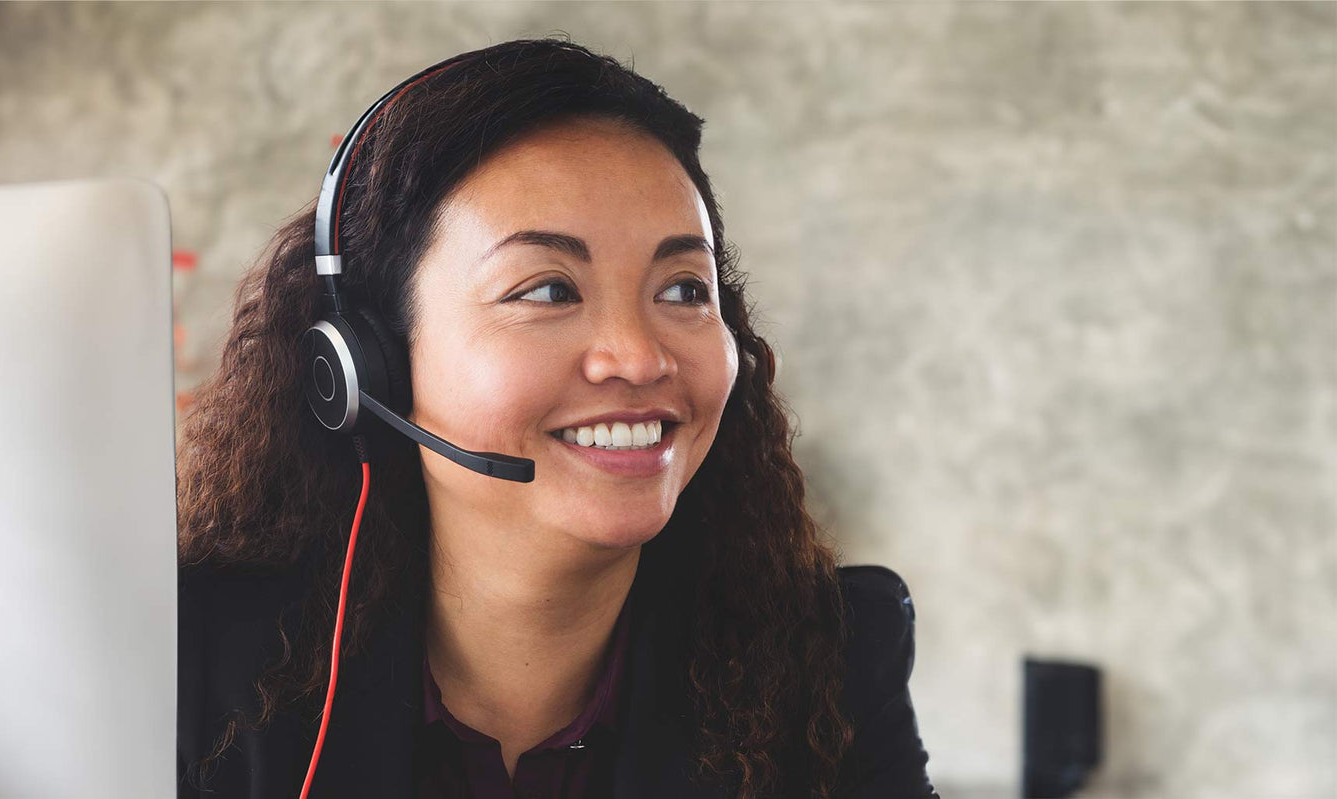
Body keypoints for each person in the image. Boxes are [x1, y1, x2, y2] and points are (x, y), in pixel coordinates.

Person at [177, 37, 937, 799]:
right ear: (367, 363)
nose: (639, 359)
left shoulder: (829, 659)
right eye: (547, 290)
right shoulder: (191, 662)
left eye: (682, 289)